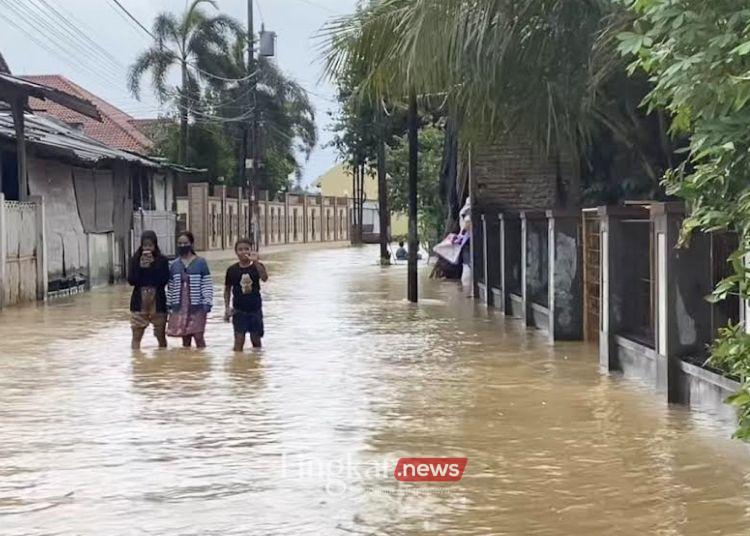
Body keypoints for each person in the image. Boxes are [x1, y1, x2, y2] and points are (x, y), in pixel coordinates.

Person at [167, 231, 213, 348]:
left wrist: (207, 301)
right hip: (180, 305)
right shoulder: (174, 265)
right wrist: (169, 305)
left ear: (191, 244)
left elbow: (206, 283)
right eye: (180, 243)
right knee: (185, 337)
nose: (182, 246)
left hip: (198, 305)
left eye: (185, 243)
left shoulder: (201, 263)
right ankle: (188, 363)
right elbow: (171, 286)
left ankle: (201, 360)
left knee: (198, 336)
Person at [128, 230, 170, 350]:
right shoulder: (135, 260)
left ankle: (162, 361)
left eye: (150, 245)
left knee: (160, 335)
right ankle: (136, 362)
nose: (147, 248)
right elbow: (131, 281)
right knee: (136, 335)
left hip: (158, 300)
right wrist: (141, 268)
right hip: (139, 301)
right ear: (141, 245)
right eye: (145, 245)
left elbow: (164, 281)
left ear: (155, 245)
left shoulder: (162, 261)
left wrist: (153, 266)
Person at [224, 238, 268, 351]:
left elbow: (264, 278)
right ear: (236, 252)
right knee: (239, 341)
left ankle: (256, 364)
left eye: (246, 249)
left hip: (255, 309)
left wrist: (257, 262)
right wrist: (227, 308)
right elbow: (227, 289)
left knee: (256, 340)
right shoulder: (232, 270)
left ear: (251, 250)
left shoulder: (257, 266)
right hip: (239, 310)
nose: (243, 252)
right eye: (240, 249)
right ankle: (238, 365)